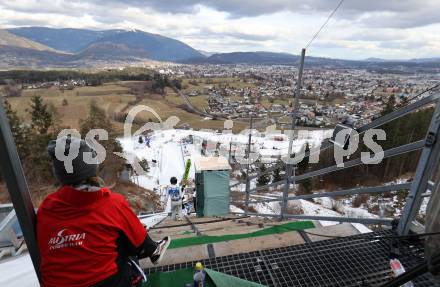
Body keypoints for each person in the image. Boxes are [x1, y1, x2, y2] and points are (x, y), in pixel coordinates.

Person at [37, 136, 170, 287]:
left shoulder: (46, 207)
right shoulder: (111, 203)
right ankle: (154, 248)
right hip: (107, 281)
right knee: (127, 246)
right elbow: (139, 246)